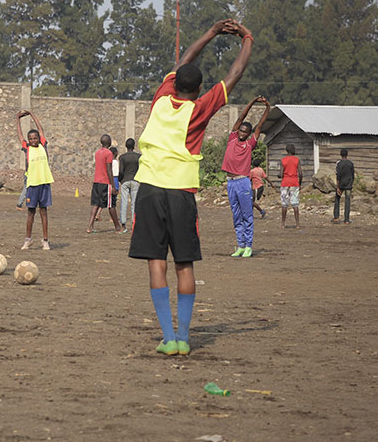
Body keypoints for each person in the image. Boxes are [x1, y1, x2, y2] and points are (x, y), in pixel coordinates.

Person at [129, 18, 254, 356]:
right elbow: (235, 74)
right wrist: (246, 38)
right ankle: (184, 339)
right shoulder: (199, 110)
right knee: (185, 265)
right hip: (182, 194)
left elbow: (184, 61)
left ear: (173, 83)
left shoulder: (160, 99)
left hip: (150, 190)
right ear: (198, 89)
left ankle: (168, 338)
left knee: (157, 262)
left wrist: (212, 33)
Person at [222, 95, 271, 257]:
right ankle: (240, 245)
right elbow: (242, 116)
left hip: (243, 182)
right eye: (241, 130)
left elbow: (261, 124)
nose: (242, 133)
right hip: (230, 182)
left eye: (246, 132)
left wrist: (267, 107)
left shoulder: (250, 144)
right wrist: (252, 101)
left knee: (247, 214)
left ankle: (249, 245)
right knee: (236, 215)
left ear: (249, 134)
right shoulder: (232, 138)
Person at [16, 110, 52, 250]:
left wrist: (31, 114)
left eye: (35, 138)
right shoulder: (27, 148)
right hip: (32, 184)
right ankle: (28, 239)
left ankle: (45, 240)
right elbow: (19, 135)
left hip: (44, 183)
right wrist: (17, 119)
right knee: (31, 212)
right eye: (30, 139)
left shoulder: (43, 145)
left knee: (43, 211)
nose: (33, 140)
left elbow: (40, 129)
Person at [88, 135, 122, 233]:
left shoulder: (97, 152)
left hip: (96, 182)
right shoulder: (109, 153)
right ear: (109, 142)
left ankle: (90, 227)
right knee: (111, 204)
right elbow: (109, 169)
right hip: (105, 182)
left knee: (96, 204)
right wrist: (113, 185)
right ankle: (117, 227)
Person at [116, 138, 141, 230]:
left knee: (124, 202)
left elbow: (121, 171)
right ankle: (134, 223)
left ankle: (123, 224)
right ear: (134, 146)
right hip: (135, 181)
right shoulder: (138, 157)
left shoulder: (122, 157)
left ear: (126, 146)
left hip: (125, 181)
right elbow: (140, 169)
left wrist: (120, 180)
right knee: (134, 203)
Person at [279, 144, 301, 228]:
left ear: (287, 150)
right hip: (294, 183)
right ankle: (297, 224)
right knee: (295, 204)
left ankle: (283, 223)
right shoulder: (297, 160)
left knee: (284, 204)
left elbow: (281, 174)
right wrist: (300, 183)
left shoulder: (283, 160)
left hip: (285, 183)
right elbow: (301, 173)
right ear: (293, 150)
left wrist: (280, 175)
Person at [333, 149, 354, 224]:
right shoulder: (350, 163)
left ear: (340, 154)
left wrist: (337, 187)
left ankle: (336, 217)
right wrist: (351, 183)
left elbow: (338, 176)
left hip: (341, 184)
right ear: (347, 154)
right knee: (347, 201)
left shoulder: (339, 164)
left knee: (337, 199)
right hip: (348, 185)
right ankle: (347, 220)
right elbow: (352, 175)